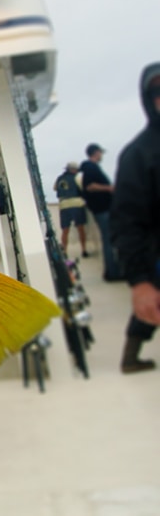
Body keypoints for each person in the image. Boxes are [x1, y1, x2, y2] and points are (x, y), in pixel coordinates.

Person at [111, 62, 160, 374]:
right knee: (149, 306)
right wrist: (139, 282)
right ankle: (130, 357)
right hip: (155, 257)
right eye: (157, 92)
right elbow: (125, 222)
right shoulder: (137, 154)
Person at [80, 143, 122, 281]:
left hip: (101, 209)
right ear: (95, 153)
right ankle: (112, 273)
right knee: (109, 240)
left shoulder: (90, 168)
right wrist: (110, 188)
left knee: (109, 239)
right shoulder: (91, 167)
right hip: (102, 210)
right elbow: (90, 186)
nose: (101, 155)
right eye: (100, 152)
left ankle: (112, 271)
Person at [53, 161, 89, 258]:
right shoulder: (77, 177)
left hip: (63, 206)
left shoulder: (59, 179)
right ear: (73, 170)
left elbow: (55, 188)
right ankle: (84, 250)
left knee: (65, 230)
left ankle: (65, 251)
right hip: (77, 204)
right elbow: (83, 188)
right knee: (80, 228)